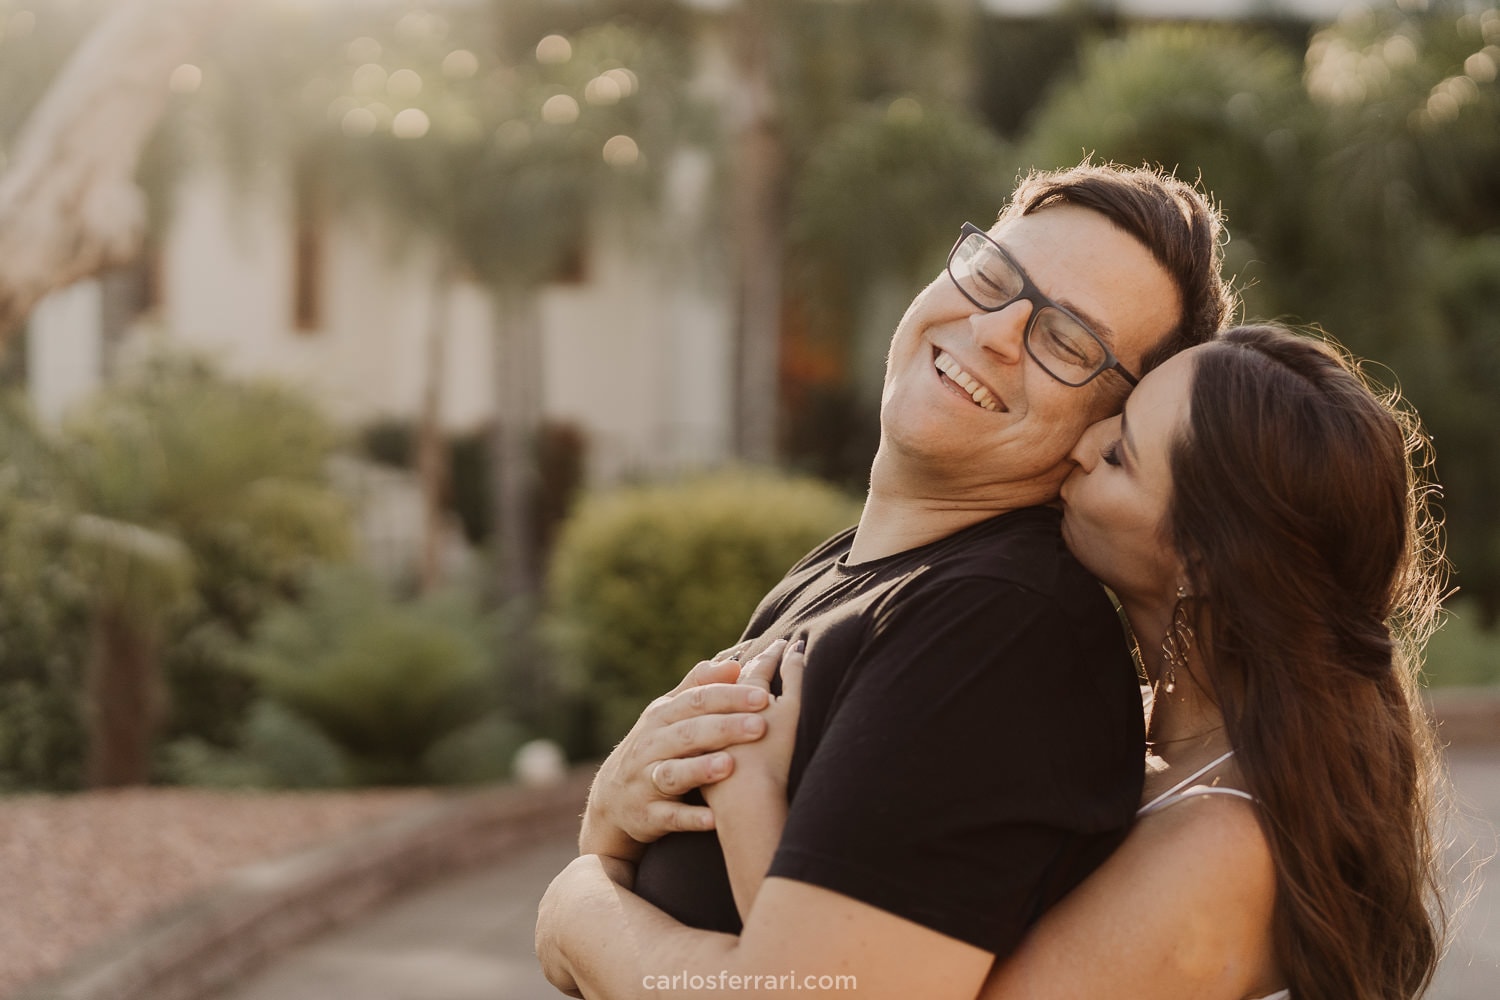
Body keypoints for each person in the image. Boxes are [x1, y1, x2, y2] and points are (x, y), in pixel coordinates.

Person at [537, 324, 1449, 1000]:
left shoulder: (1225, 842)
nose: (1082, 445)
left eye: (1122, 454)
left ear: (1202, 562)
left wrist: (728, 807)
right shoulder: (1132, 724)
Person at [543, 160, 1235, 998]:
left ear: (1107, 423)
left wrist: (576, 903)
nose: (995, 331)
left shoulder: (998, 631)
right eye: (995, 274)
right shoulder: (849, 572)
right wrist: (613, 818)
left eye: (1067, 340)